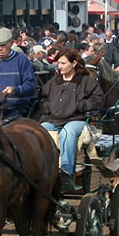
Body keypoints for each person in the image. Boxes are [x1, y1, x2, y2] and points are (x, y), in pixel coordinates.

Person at [37, 49, 101, 191]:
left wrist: (80, 106)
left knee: (68, 132)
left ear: (74, 63)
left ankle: (67, 174)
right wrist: (48, 108)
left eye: (63, 63)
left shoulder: (85, 81)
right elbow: (42, 98)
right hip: (53, 119)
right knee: (41, 130)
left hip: (76, 120)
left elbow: (97, 99)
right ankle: (44, 172)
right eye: (58, 63)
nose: (59, 66)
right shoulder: (54, 81)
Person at [0, 27, 38, 120]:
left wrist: (15, 89)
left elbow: (30, 85)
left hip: (17, 106)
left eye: (3, 45)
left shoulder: (22, 60)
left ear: (11, 43)